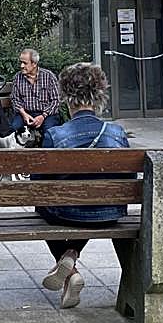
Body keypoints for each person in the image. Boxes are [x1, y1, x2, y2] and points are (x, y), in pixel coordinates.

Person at [35, 62, 129, 309]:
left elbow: (39, 186)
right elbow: (128, 177)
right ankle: (70, 263)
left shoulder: (56, 135)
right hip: (111, 213)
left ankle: (68, 263)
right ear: (99, 95)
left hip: (67, 214)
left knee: (45, 208)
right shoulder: (117, 133)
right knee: (90, 205)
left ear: (67, 97)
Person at [9, 48, 61, 136]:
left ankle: (46, 150)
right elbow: (15, 99)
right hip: (25, 113)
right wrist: (24, 114)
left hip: (46, 114)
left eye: (25, 63)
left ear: (34, 64)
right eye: (21, 62)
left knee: (50, 133)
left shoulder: (49, 76)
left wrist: (43, 116)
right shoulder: (18, 77)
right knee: (13, 129)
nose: (21, 66)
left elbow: (56, 100)